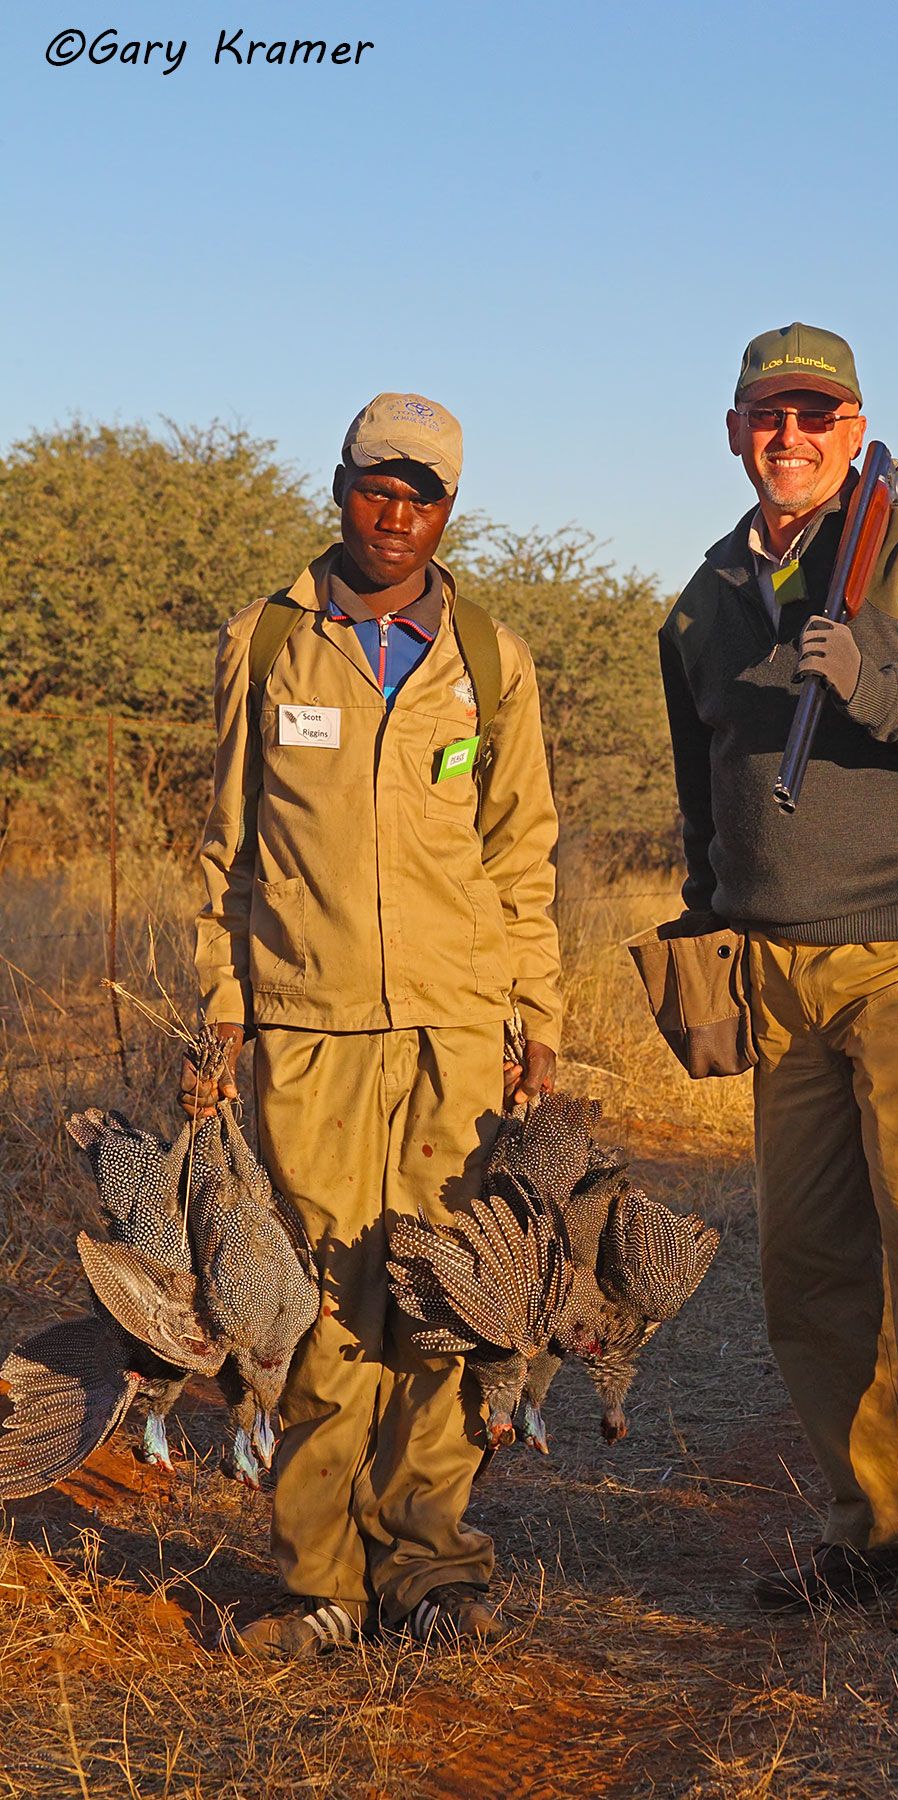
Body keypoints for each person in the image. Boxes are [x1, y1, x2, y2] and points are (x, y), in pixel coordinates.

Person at [658, 324, 898, 1635]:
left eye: (817, 415)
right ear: (733, 431)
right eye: (768, 415)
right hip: (776, 967)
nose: (791, 436)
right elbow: (702, 787)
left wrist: (874, 682)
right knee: (809, 1262)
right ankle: (876, 1528)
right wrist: (707, 928)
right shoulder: (705, 596)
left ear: (852, 422)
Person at [185, 392, 561, 1658]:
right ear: (337, 486)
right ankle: (320, 1585)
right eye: (373, 489)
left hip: (459, 1033)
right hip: (309, 1028)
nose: (394, 518)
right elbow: (225, 850)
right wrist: (221, 1010)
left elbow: (522, 856)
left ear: (451, 511)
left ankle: (432, 1564)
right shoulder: (267, 642)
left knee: (449, 1302)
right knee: (325, 1306)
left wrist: (536, 1012)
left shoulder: (493, 660)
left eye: (423, 497)